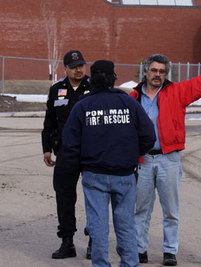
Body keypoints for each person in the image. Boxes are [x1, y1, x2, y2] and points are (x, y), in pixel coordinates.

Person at [129, 54, 201, 266]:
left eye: (162, 71)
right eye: (154, 71)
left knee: (171, 209)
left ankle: (169, 251)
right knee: (140, 208)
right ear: (145, 72)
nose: (158, 75)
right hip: (142, 160)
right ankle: (139, 249)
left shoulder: (176, 93)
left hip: (168, 159)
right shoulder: (133, 98)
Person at [61, 60, 156, 267]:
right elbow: (149, 136)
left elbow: (69, 145)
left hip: (94, 174)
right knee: (126, 224)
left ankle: (101, 264)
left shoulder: (82, 106)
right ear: (113, 78)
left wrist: (78, 166)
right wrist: (132, 154)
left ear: (91, 80)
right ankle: (129, 263)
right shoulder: (129, 103)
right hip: (124, 173)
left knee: (98, 225)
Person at [41, 49, 92, 259]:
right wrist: (46, 149)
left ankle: (93, 241)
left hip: (91, 153)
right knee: (64, 197)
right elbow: (49, 122)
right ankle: (67, 242)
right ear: (66, 69)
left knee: (94, 198)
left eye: (81, 65)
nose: (79, 69)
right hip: (65, 152)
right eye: (74, 67)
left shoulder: (94, 88)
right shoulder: (57, 90)